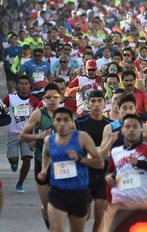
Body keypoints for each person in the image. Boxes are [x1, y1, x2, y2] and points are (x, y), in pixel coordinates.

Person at [37, 107, 104, 232]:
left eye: (66, 120)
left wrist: (79, 158)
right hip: (57, 192)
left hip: (79, 193)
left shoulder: (82, 137)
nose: (62, 123)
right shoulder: (49, 141)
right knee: (56, 229)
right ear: (53, 122)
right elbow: (46, 154)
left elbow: (99, 163)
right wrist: (44, 170)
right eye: (59, 120)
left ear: (72, 122)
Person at [19, 82, 61, 229]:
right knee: (46, 206)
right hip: (41, 162)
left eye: (55, 96)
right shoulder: (38, 114)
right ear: (44, 98)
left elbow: (76, 136)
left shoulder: (66, 115)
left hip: (61, 165)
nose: (52, 100)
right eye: (48, 97)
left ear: (60, 98)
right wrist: (39, 137)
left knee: (59, 205)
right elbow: (22, 136)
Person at [105, 114, 147, 205]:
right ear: (122, 130)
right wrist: (108, 176)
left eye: (135, 127)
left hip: (142, 201)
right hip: (119, 199)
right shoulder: (115, 151)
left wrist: (139, 163)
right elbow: (110, 170)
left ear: (141, 130)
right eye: (127, 127)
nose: (131, 129)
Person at [75, 90, 111, 232]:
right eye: (93, 101)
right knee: (84, 214)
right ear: (87, 104)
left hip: (104, 172)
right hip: (84, 172)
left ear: (105, 104)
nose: (96, 105)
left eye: (99, 101)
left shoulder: (111, 125)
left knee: (100, 212)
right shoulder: (79, 123)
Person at [3, 75, 39, 192]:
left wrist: (35, 135)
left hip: (28, 134)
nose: (23, 86)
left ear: (30, 87)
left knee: (27, 158)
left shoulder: (34, 101)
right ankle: (14, 164)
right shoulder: (10, 98)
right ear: (17, 86)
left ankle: (20, 183)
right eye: (21, 84)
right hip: (13, 132)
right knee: (13, 159)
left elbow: (39, 118)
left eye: (26, 84)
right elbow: (3, 109)